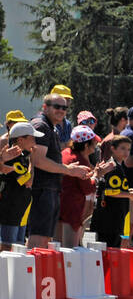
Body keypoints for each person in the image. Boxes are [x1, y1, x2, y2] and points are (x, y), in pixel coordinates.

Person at [26, 93, 94, 250]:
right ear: (45, 107)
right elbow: (38, 160)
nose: (61, 111)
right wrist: (69, 170)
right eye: (56, 106)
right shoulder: (41, 125)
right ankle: (31, 272)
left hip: (49, 189)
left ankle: (37, 272)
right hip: (42, 189)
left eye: (64, 107)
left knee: (44, 239)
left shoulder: (51, 127)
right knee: (39, 239)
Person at [90, 134, 133, 248]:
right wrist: (129, 194)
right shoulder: (113, 166)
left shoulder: (118, 166)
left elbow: (117, 189)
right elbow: (110, 191)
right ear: (113, 149)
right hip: (109, 219)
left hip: (114, 218)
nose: (126, 152)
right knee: (108, 250)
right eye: (123, 148)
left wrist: (130, 191)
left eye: (128, 149)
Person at [0, 121, 38, 251]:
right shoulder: (13, 157)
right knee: (8, 246)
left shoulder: (21, 156)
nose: (35, 141)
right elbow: (27, 181)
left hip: (19, 211)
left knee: (17, 247)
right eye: (32, 137)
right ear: (21, 139)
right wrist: (33, 161)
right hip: (10, 210)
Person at [59, 125, 99, 247]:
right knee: (70, 249)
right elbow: (88, 188)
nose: (96, 146)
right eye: (94, 143)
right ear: (86, 145)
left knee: (57, 248)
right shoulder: (80, 160)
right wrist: (98, 174)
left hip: (59, 208)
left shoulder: (66, 153)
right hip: (71, 211)